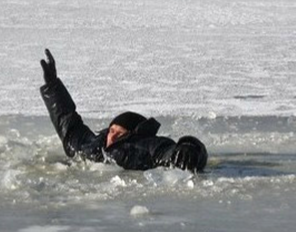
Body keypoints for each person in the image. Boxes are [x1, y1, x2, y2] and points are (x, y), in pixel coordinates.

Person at [39, 49, 207, 172]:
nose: (112, 136)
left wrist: (189, 147)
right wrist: (53, 86)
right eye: (112, 131)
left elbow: (169, 151)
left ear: (133, 134)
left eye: (120, 133)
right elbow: (69, 125)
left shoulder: (146, 145)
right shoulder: (93, 145)